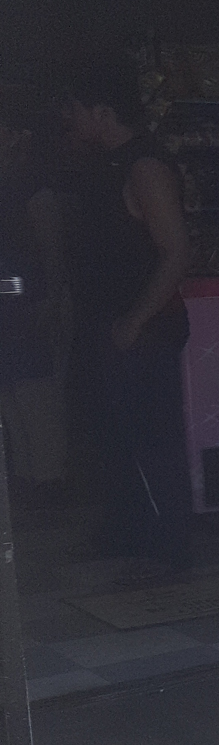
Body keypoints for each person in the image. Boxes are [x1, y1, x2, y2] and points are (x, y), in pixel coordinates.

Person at [54, 58, 194, 576]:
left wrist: (135, 321)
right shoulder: (110, 164)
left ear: (102, 110)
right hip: (116, 320)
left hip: (142, 324)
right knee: (115, 432)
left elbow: (176, 250)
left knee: (151, 435)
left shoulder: (144, 166)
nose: (67, 117)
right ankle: (133, 529)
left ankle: (170, 541)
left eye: (74, 107)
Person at [0, 88, 72, 502]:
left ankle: (49, 483)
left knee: (36, 392)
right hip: (11, 303)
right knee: (12, 391)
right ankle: (31, 482)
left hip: (36, 303)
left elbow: (52, 252)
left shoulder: (35, 186)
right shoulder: (10, 184)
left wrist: (48, 301)